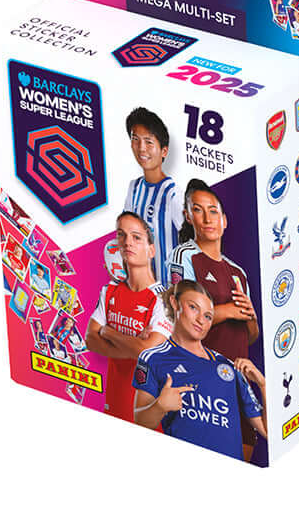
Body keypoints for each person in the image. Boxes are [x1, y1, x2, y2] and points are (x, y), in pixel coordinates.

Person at [166, 178, 261, 459]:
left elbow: (250, 335)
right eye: (198, 210)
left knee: (243, 455)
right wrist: (229, 310)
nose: (208, 219)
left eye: (213, 211)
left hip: (238, 379)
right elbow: (181, 317)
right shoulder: (185, 255)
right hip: (201, 377)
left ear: (225, 220)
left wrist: (250, 317)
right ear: (188, 216)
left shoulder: (238, 272)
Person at [132, 281, 266, 462]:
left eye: (208, 316)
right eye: (193, 308)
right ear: (174, 303)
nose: (201, 320)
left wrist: (262, 384)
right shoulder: (153, 358)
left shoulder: (227, 366)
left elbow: (267, 431)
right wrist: (160, 406)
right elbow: (140, 422)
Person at [86, 212, 173, 422]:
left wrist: (108, 332)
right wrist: (134, 347)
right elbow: (90, 339)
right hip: (112, 406)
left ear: (151, 250)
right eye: (121, 235)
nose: (127, 242)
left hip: (148, 415)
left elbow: (147, 352)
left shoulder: (164, 299)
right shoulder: (109, 291)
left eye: (136, 237)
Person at [123, 107, 184, 287]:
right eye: (136, 139)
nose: (141, 148)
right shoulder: (134, 188)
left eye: (149, 142)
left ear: (164, 151)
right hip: (138, 288)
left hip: (166, 291)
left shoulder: (173, 194)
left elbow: (192, 246)